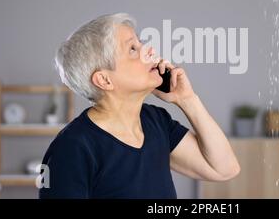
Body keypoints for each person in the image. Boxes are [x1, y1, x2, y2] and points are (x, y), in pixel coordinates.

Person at [39, 13, 240, 198]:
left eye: (141, 43)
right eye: (133, 49)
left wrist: (187, 100)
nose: (149, 50)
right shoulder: (72, 148)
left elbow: (224, 169)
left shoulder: (156, 121)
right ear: (105, 80)